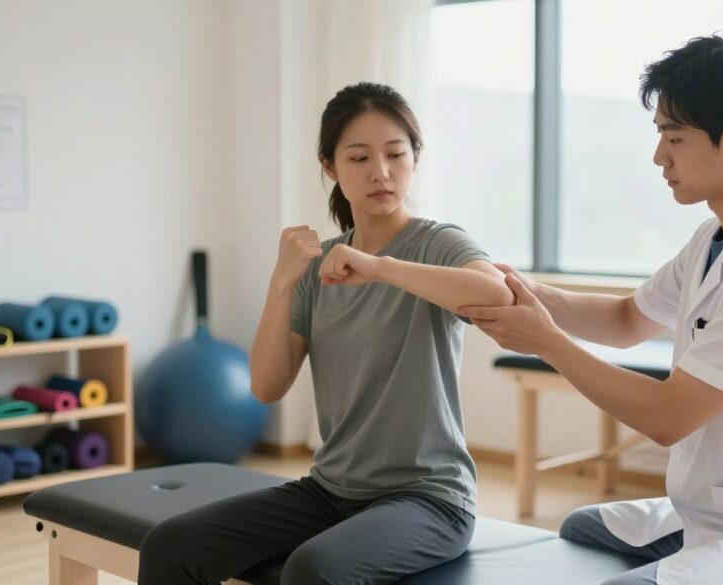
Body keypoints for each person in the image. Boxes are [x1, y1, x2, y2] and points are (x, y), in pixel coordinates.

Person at [460, 33, 723, 584]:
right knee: (582, 528)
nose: (659, 157)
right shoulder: (715, 236)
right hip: (712, 508)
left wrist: (545, 340)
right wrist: (521, 289)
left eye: (673, 138)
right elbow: (626, 321)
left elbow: (668, 418)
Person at [138, 82, 514, 585]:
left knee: (313, 570)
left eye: (395, 154)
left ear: (415, 159)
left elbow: (498, 294)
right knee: (171, 546)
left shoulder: (438, 243)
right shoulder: (320, 268)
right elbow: (266, 386)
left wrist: (380, 267)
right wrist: (282, 281)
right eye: (359, 158)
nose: (380, 172)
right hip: (331, 490)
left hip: (429, 499)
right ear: (330, 167)